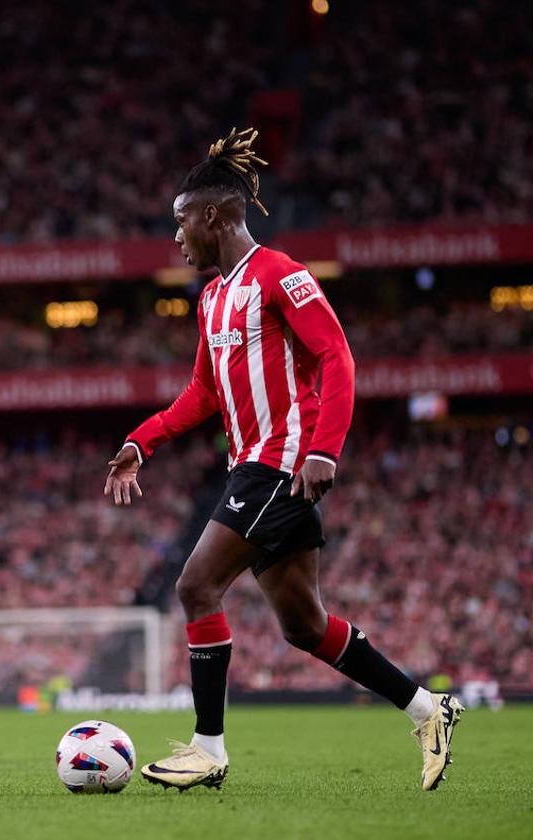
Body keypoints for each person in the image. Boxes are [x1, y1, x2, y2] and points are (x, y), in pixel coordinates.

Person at [104, 128, 462, 793]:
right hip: (255, 462)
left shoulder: (282, 275)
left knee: (195, 585)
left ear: (212, 216)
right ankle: (426, 708)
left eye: (181, 223)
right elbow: (203, 393)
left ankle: (208, 750)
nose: (176, 238)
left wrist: (324, 447)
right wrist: (141, 440)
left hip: (282, 459)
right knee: (303, 624)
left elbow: (338, 358)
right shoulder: (213, 297)